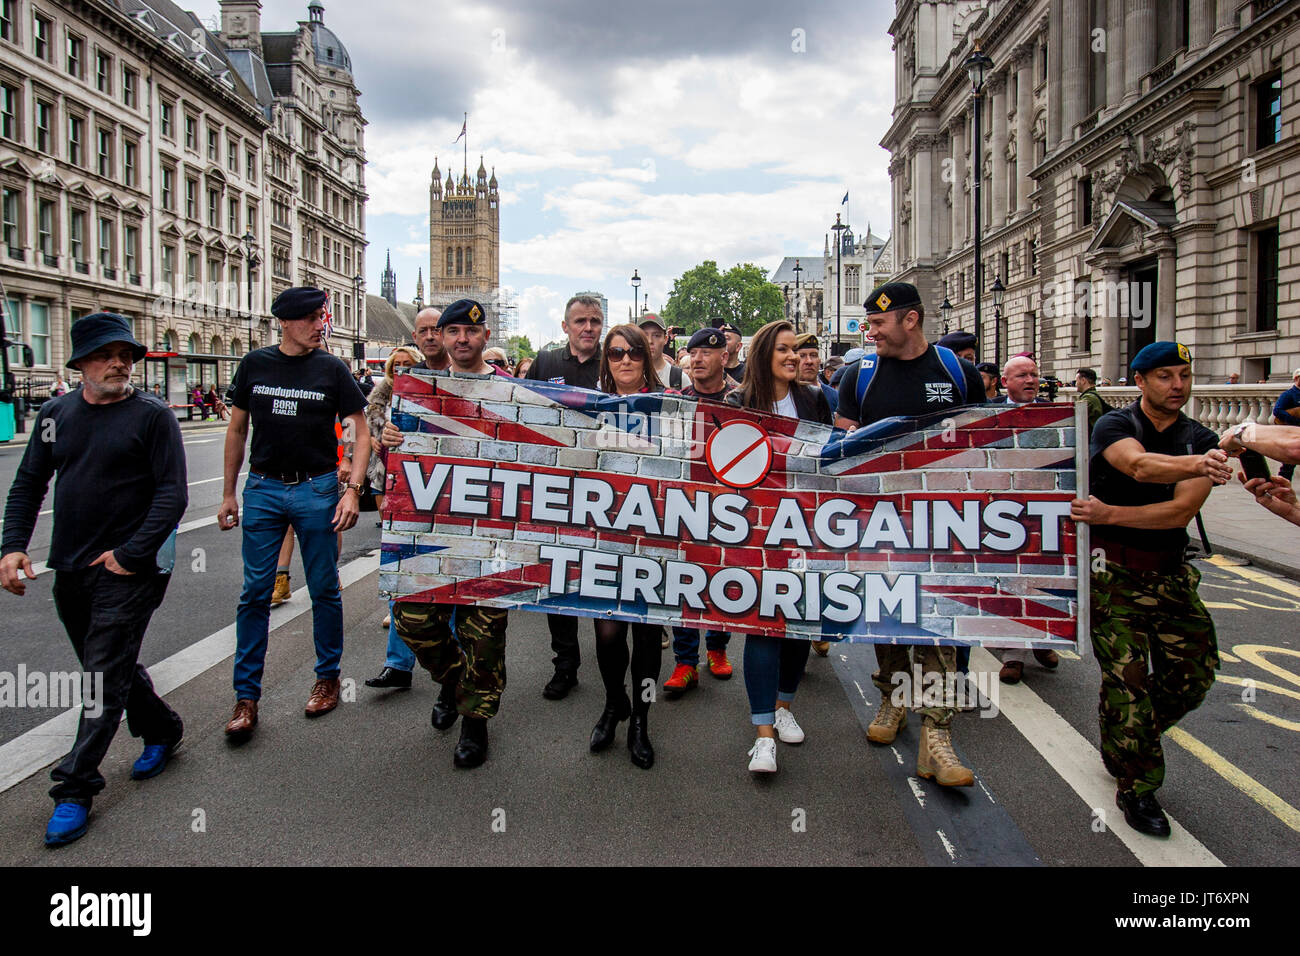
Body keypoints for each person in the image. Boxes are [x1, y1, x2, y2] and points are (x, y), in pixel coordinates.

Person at [1, 312, 187, 847]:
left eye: (127, 355)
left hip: (133, 569)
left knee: (101, 680)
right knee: (108, 666)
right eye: (107, 355)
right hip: (72, 567)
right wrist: (13, 546)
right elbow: (28, 485)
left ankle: (75, 789)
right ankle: (162, 728)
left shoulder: (153, 417)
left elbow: (171, 495)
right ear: (81, 362)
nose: (119, 364)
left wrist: (131, 554)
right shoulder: (56, 415)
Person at [1070, 341, 1232, 837]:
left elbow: (1179, 513)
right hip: (1111, 575)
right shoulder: (1115, 424)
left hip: (1169, 574)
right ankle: (1138, 788)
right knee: (1129, 683)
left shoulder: (1201, 437)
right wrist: (1203, 463)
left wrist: (1109, 513)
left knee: (1194, 676)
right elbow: (1138, 466)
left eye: (1184, 375)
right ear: (1140, 382)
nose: (1177, 386)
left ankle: (1125, 739)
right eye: (1165, 376)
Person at [835, 282, 983, 788]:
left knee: (939, 621)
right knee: (888, 615)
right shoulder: (861, 374)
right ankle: (893, 698)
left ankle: (937, 736)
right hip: (880, 524)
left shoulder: (956, 372)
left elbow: (987, 444)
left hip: (945, 524)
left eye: (878, 323)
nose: (869, 331)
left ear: (911, 320)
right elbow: (842, 447)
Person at [217, 287, 369, 740]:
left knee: (324, 588)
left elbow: (361, 432)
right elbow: (238, 428)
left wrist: (353, 491)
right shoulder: (255, 364)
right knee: (254, 594)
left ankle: (326, 679)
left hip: (317, 487)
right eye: (310, 319)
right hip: (263, 487)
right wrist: (228, 493)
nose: (320, 325)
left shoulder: (332, 368)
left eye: (321, 317)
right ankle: (247, 698)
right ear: (285, 322)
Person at [380, 298, 512, 768]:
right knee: (413, 621)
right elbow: (397, 463)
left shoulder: (513, 392)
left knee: (484, 633)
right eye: (452, 331)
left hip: (491, 535)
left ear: (485, 337)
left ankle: (475, 722)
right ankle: (453, 685)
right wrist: (388, 443)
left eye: (471, 332)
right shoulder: (415, 388)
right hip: (430, 533)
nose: (461, 340)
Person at [725, 321, 830, 774]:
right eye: (784, 349)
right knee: (763, 624)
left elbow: (830, 462)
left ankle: (785, 706)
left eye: (798, 350)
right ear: (763, 354)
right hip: (753, 530)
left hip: (806, 527)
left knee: (799, 624)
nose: (794, 357)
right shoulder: (737, 403)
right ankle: (763, 733)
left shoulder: (814, 399)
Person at [585, 323, 670, 769]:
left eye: (633, 353)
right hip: (604, 538)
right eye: (615, 353)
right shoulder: (587, 407)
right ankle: (613, 703)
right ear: (606, 359)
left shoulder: (669, 409)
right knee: (608, 631)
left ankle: (641, 720)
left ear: (646, 358)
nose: (624, 360)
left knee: (647, 634)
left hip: (654, 538)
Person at [525, 294, 604, 699]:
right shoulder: (546, 362)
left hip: (606, 490)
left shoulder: (614, 360)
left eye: (594, 321)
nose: (588, 328)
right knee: (558, 577)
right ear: (565, 326)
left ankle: (611, 665)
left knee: (602, 577)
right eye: (580, 321)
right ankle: (565, 664)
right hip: (556, 487)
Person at [664, 326, 737, 696]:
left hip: (728, 506)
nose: (697, 359)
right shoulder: (676, 400)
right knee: (685, 582)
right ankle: (684, 661)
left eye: (706, 353)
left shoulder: (741, 401)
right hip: (685, 504)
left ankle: (718, 649)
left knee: (723, 576)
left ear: (724, 357)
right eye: (692, 353)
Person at [990, 355, 1061, 684]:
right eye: (1022, 375)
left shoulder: (1054, 414)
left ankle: (1041, 640)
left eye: (1034, 374)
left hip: (1042, 507)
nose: (1030, 380)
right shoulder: (987, 413)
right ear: (1005, 382)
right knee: (1009, 578)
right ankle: (1012, 653)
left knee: (1041, 575)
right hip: (1001, 509)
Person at [363, 345, 425, 690]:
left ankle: (454, 666)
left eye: (407, 365)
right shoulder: (380, 403)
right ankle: (397, 664)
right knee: (401, 576)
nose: (401, 370)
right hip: (396, 490)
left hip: (433, 495)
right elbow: (373, 447)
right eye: (395, 365)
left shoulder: (435, 393)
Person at [636, 313, 685, 389]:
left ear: (665, 339)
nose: (650, 341)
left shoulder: (680, 378)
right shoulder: (628, 376)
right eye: (644, 335)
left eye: (656, 335)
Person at [796, 332, 838, 418]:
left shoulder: (834, 396)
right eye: (802, 356)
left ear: (819, 360)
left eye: (813, 355)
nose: (809, 361)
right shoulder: (786, 397)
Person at [1270, 368, 1300, 481]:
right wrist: (1294, 420)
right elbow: (1277, 411)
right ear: (1296, 378)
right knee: (1289, 463)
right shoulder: (1288, 395)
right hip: (1292, 432)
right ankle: (1282, 484)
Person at [1076, 367, 1107, 437]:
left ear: (1083, 381)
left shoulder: (1088, 398)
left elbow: (1075, 418)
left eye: (1076, 381)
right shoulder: (1093, 395)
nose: (1076, 384)